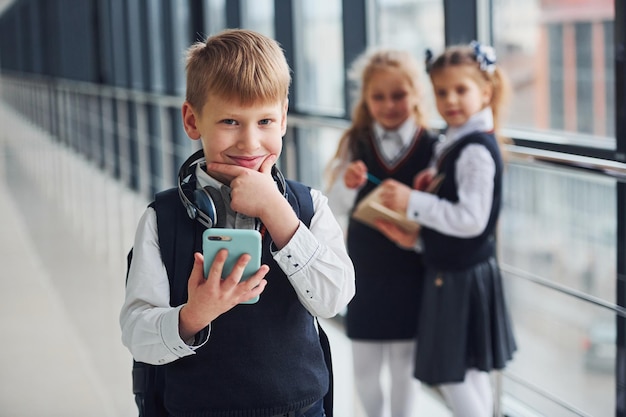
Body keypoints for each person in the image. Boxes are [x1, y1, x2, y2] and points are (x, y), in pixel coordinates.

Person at [120, 29, 355, 417]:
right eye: (230, 121)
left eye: (264, 121)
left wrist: (279, 215)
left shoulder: (308, 206)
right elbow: (135, 331)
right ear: (192, 120)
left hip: (299, 407)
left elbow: (333, 300)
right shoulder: (162, 219)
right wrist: (193, 314)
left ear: (283, 120)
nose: (249, 142)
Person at [375, 41, 517, 417]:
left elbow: (471, 219)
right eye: (441, 92)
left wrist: (412, 203)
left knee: (454, 375)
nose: (450, 100)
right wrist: (420, 238)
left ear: (485, 92)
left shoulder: (473, 149)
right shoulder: (457, 142)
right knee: (468, 372)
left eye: (461, 90)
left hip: (459, 277)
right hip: (459, 271)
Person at [325, 48, 437, 417]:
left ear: (416, 95)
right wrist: (348, 183)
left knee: (405, 370)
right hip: (365, 271)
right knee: (365, 369)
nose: (389, 105)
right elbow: (334, 207)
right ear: (366, 99)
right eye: (379, 96)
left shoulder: (433, 147)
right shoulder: (355, 143)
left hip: (411, 271)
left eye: (399, 95)